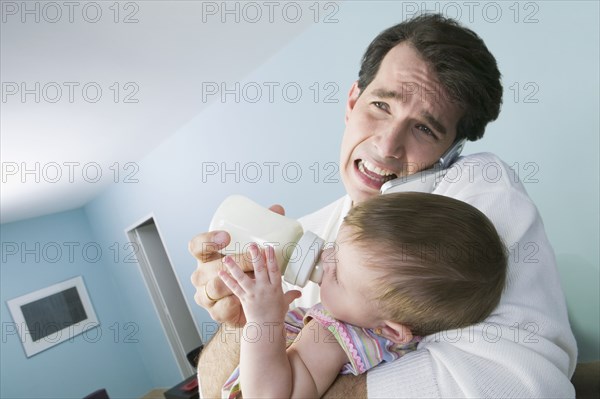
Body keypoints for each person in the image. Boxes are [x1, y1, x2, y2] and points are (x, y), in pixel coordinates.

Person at [189, 13, 577, 398]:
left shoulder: (468, 203)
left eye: (425, 128)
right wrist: (239, 319)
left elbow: (529, 386)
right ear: (352, 101)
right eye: (381, 105)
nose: (388, 145)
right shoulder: (315, 229)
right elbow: (213, 388)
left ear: (453, 152)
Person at [218, 192, 508, 398]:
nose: (326, 258)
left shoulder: (335, 337)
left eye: (338, 275)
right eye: (335, 246)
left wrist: (263, 320)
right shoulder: (375, 319)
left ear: (392, 330)